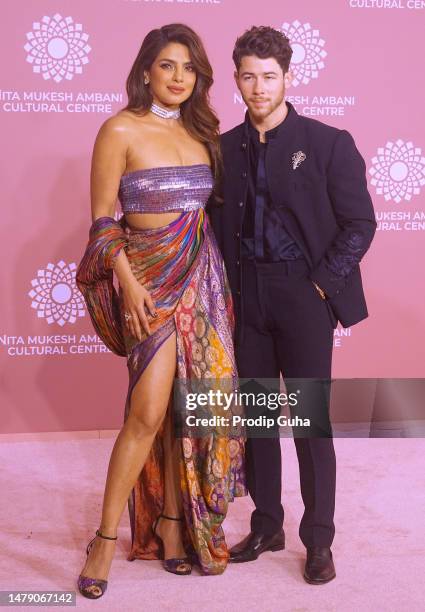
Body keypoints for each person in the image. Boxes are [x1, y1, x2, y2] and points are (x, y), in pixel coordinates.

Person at [75, 23, 246, 599]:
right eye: (168, 65)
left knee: (188, 409)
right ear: (146, 68)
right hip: (145, 283)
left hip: (200, 279)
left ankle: (175, 527)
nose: (178, 78)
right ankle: (103, 538)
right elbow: (102, 221)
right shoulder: (119, 128)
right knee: (147, 412)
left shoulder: (205, 135)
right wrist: (127, 284)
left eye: (189, 68)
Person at [208, 26, 376, 584]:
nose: (259, 88)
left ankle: (319, 538)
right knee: (257, 418)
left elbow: (359, 224)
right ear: (236, 80)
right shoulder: (224, 147)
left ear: (288, 77)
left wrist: (321, 286)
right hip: (246, 297)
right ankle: (266, 523)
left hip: (303, 294)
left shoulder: (328, 143)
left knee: (309, 423)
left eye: (269, 76)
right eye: (249, 77)